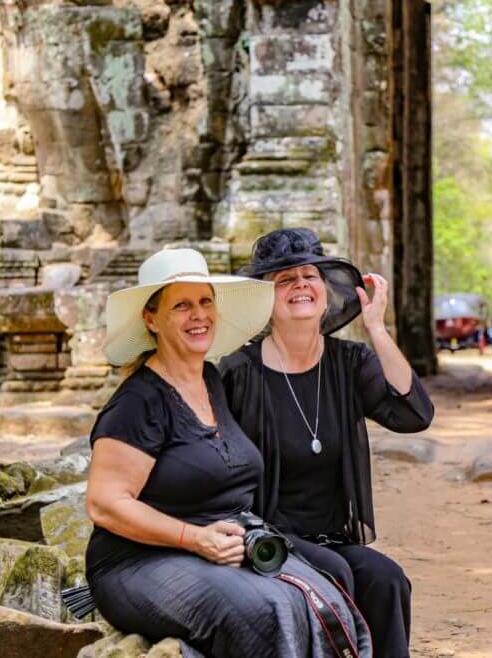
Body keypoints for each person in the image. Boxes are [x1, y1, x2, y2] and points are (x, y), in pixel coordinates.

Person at [85, 247, 372, 658]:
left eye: (205, 301)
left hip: (220, 544)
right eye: (181, 305)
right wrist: (195, 538)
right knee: (268, 608)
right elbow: (105, 504)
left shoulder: (210, 379)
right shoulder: (138, 402)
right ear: (151, 319)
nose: (198, 314)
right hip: (137, 563)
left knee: (325, 593)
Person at [219, 229, 435, 658]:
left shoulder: (350, 362)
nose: (300, 285)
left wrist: (376, 327)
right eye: (285, 280)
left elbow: (414, 414)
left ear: (325, 289)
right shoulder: (238, 371)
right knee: (336, 573)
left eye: (309, 275)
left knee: (387, 578)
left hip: (332, 537)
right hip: (265, 537)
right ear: (267, 299)